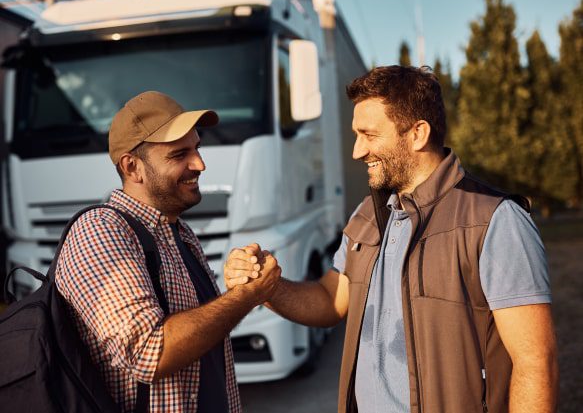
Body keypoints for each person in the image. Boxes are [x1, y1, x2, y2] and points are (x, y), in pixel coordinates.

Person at [225, 66, 559, 413]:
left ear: (417, 134)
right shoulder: (366, 215)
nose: (357, 151)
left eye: (369, 135)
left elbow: (536, 362)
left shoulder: (495, 219)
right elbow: (329, 300)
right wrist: (268, 287)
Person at [55, 91, 280, 413]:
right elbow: (150, 353)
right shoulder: (101, 230)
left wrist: (242, 283)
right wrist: (245, 296)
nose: (200, 164)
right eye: (179, 155)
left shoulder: (178, 232)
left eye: (197, 148)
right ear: (133, 168)